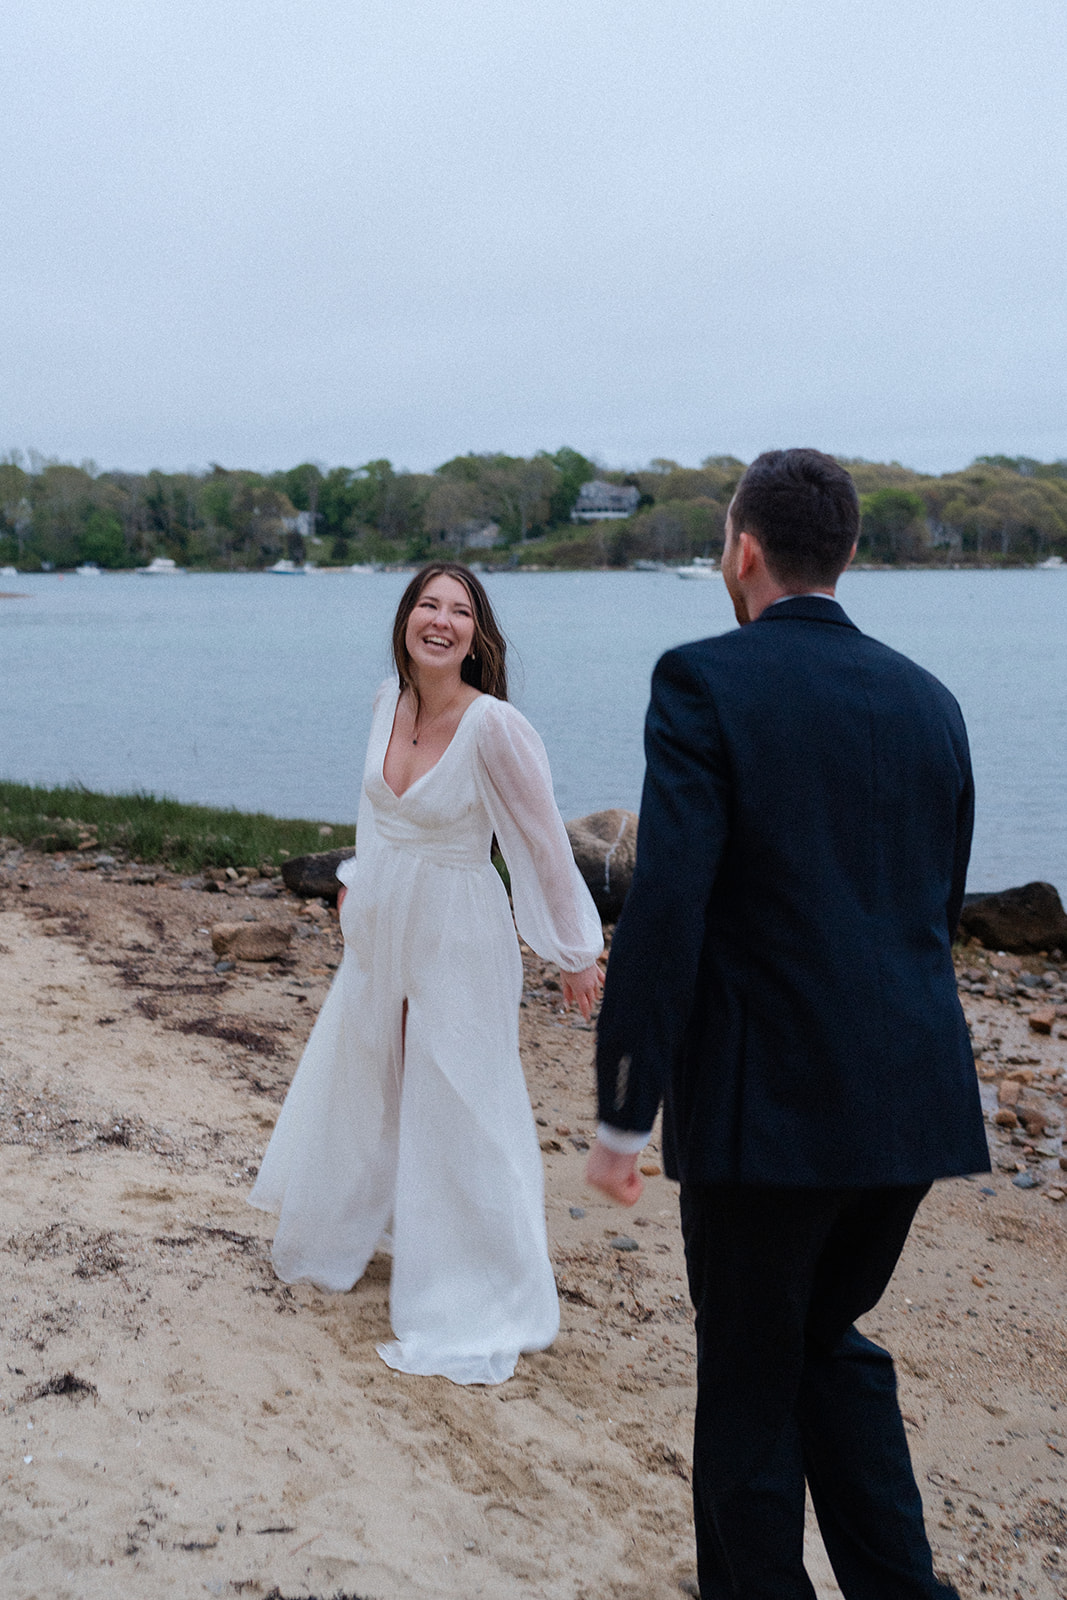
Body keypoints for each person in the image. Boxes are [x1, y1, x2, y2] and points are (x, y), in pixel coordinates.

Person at [587, 450, 989, 1598]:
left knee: (752, 1383)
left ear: (740, 549)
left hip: (768, 1117)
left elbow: (667, 908)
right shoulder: (931, 699)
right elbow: (933, 903)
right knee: (822, 1344)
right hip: (909, 1103)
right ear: (848, 553)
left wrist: (623, 1109)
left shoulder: (702, 680)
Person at [251, 561, 603, 1385]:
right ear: (406, 617)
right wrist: (355, 885)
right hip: (384, 923)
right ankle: (360, 1232)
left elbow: (543, 845)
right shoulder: (387, 700)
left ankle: (481, 1278)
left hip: (458, 927)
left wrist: (574, 951)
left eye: (460, 611)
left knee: (461, 1093)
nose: (440, 621)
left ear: (477, 635)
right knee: (369, 1071)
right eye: (427, 605)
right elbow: (371, 812)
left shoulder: (495, 728)